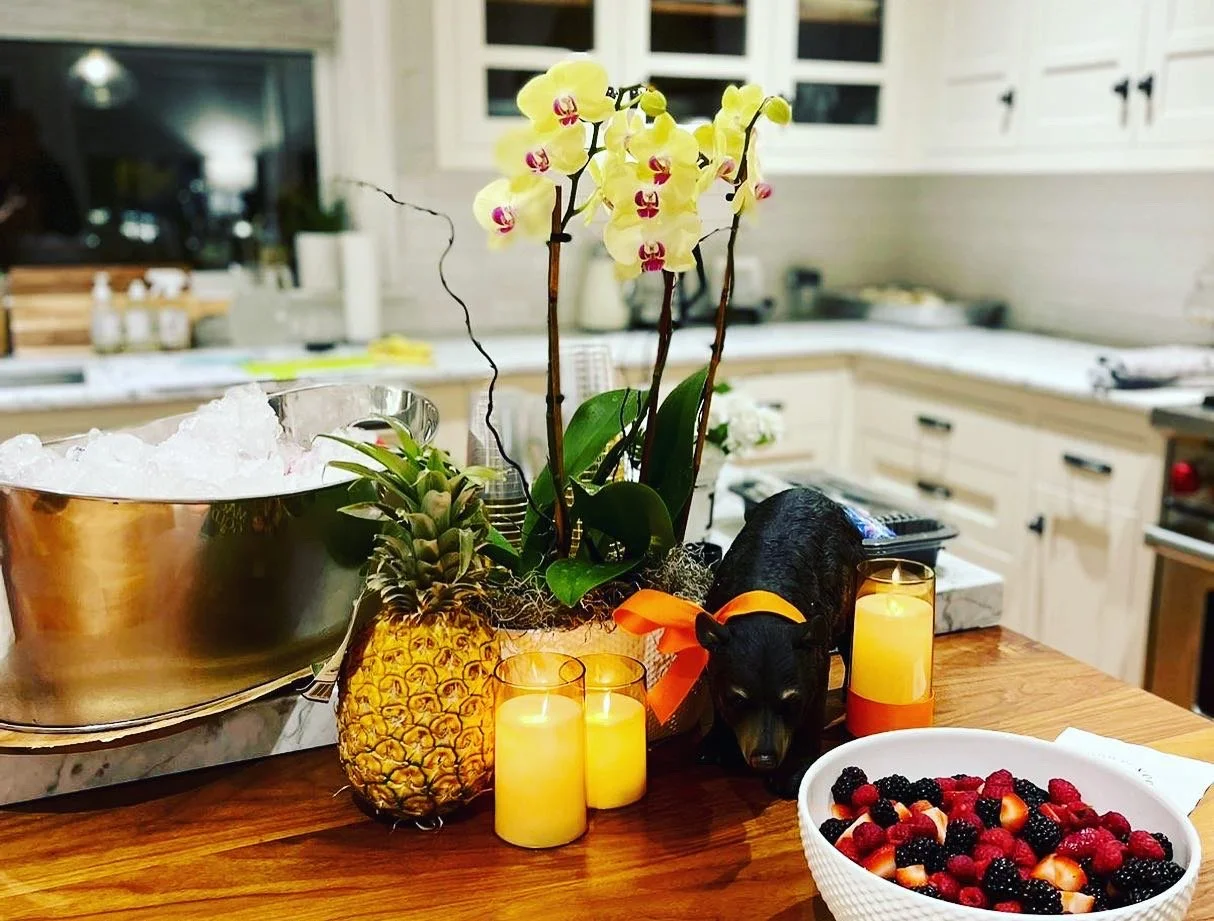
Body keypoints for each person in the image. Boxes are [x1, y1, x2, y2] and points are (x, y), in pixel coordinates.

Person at [0, 110, 82, 266]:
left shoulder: (49, 173)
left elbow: (71, 227)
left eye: (24, 135)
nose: (18, 143)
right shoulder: (6, 173)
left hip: (47, 261)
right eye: (12, 136)